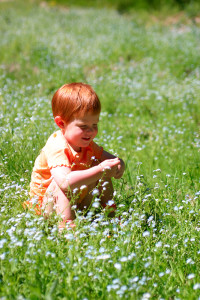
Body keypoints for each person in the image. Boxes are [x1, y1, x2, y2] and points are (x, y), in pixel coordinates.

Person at [25, 83, 125, 230]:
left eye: (94, 125)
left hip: (75, 201)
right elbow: (65, 183)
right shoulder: (58, 145)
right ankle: (66, 227)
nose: (90, 132)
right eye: (83, 126)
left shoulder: (87, 144)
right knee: (63, 182)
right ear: (61, 123)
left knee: (100, 167)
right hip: (46, 208)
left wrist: (119, 164)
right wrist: (100, 169)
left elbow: (111, 159)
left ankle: (109, 213)